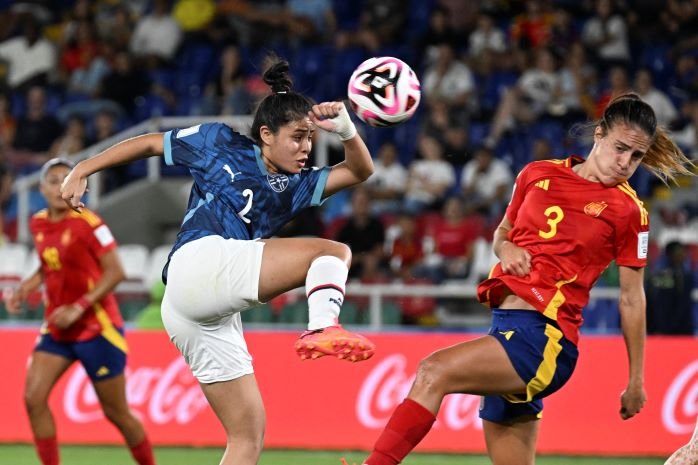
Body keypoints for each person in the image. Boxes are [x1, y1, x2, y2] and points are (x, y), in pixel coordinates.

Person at [347, 93, 694, 465]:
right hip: (505, 330)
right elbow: (502, 233)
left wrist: (636, 380)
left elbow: (631, 298)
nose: (625, 162)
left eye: (636, 156)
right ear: (599, 133)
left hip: (544, 339)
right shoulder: (536, 173)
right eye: (620, 148)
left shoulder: (628, 211)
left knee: (433, 371)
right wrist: (506, 249)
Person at [60, 58, 376, 465]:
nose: (306, 148)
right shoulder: (219, 142)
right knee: (333, 253)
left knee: (248, 434)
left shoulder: (299, 185)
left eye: (311, 138)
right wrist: (84, 167)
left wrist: (347, 130)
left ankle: (321, 327)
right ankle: (322, 326)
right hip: (199, 262)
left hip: (196, 309)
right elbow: (152, 142)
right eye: (298, 137)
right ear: (266, 134)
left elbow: (359, 170)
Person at [4, 158, 156, 465]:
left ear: (75, 185)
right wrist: (25, 288)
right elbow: (49, 265)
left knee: (117, 413)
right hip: (58, 328)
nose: (58, 185)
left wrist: (79, 307)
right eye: (52, 180)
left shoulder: (90, 223)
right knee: (33, 399)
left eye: (65, 178)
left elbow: (116, 272)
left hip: (97, 329)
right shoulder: (38, 222)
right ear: (42, 187)